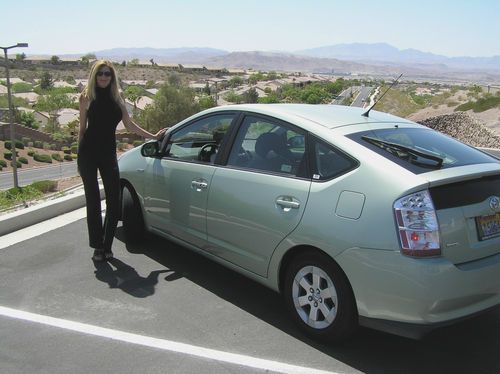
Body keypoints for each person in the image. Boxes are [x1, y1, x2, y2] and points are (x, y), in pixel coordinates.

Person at [78, 60, 164, 262]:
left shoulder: (118, 98)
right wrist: (78, 156)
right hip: (88, 153)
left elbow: (129, 124)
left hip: (108, 153)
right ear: (94, 75)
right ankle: (98, 246)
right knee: (92, 201)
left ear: (112, 76)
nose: (104, 77)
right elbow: (82, 129)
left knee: (114, 200)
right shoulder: (86, 98)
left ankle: (107, 245)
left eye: (107, 73)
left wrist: (153, 136)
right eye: (100, 73)